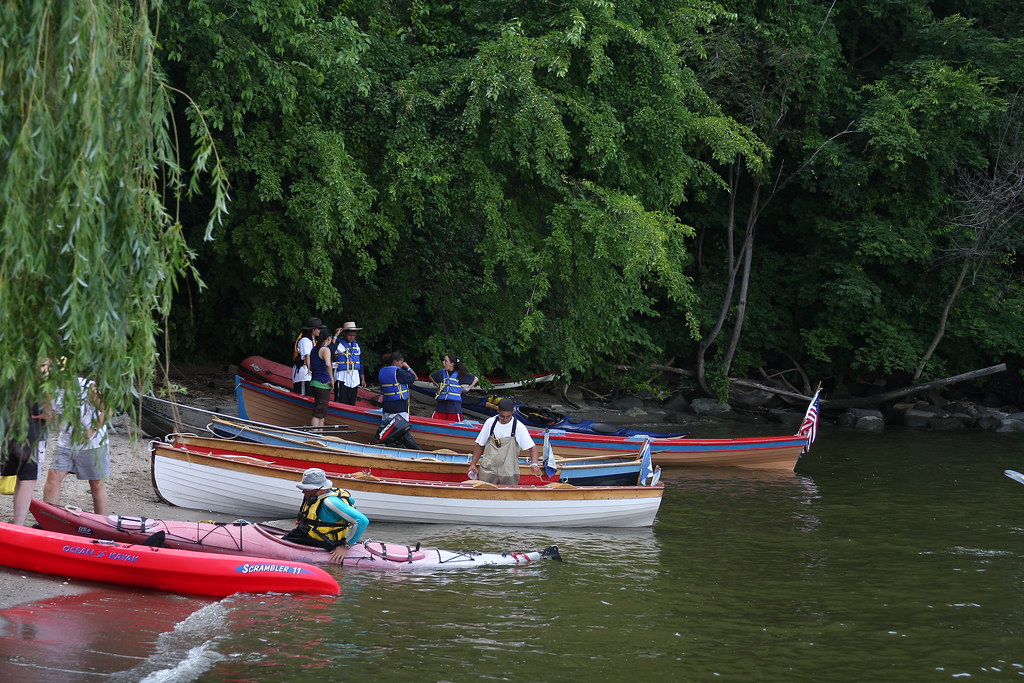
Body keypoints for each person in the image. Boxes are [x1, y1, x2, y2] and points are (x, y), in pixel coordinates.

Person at [43, 376, 111, 515]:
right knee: (53, 477)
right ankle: (47, 518)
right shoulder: (48, 389)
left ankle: (101, 523)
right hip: (66, 442)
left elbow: (108, 410)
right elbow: (49, 415)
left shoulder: (86, 386)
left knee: (96, 484)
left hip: (93, 443)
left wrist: (91, 431)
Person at [285, 467, 368, 564]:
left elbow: (362, 521)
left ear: (320, 489)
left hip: (325, 542)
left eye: (307, 489)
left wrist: (345, 546)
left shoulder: (330, 502)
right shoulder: (316, 496)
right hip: (308, 536)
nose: (303, 492)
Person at [468, 398, 539, 484]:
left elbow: (533, 448)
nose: (505, 419)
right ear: (498, 410)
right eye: (502, 416)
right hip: (488, 470)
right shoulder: (490, 423)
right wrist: (473, 464)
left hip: (509, 472)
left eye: (508, 417)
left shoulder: (519, 427)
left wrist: (534, 464)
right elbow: (480, 444)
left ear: (513, 412)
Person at [429, 354, 478, 421]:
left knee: (455, 423)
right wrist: (437, 386)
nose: (443, 362)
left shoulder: (460, 374)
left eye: (445, 361)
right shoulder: (441, 373)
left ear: (452, 364)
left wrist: (467, 389)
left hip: (454, 405)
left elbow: (475, 379)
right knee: (435, 421)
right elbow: (431, 376)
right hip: (442, 404)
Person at [331, 321, 365, 405]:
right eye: (350, 335)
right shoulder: (338, 343)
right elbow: (330, 350)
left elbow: (360, 362)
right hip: (342, 376)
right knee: (340, 400)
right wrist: (335, 335)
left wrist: (362, 378)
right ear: (345, 334)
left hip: (355, 377)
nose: (352, 337)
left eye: (353, 335)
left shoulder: (356, 345)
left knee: (351, 401)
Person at [377, 351, 417, 421]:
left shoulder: (382, 371)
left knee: (387, 426)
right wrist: (408, 367)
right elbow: (415, 378)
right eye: (401, 363)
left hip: (387, 405)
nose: (402, 365)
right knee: (400, 427)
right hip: (399, 405)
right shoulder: (398, 372)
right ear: (395, 361)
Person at [309, 327, 334, 427]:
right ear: (328, 338)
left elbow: (311, 365)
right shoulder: (325, 350)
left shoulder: (314, 349)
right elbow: (328, 364)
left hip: (314, 381)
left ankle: (319, 435)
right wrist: (332, 379)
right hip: (323, 383)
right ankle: (315, 435)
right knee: (319, 411)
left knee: (322, 411)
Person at [291, 317, 321, 395]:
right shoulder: (305, 341)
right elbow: (307, 356)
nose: (319, 331)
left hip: (309, 376)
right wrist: (309, 369)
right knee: (303, 396)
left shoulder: (313, 340)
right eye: (318, 328)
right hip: (304, 375)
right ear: (313, 329)